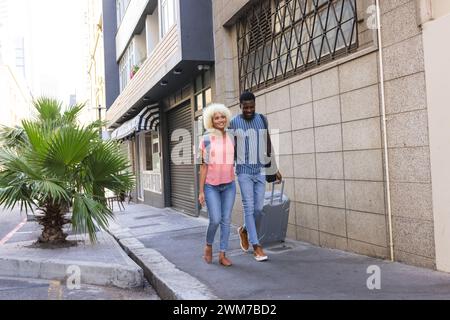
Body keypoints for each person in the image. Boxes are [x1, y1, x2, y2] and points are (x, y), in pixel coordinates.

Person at [229, 91, 282, 262]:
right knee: (249, 208)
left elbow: (267, 144)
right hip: (243, 171)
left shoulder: (262, 119)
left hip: (259, 170)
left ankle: (244, 230)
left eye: (252, 106)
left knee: (259, 209)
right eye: (246, 107)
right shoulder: (233, 122)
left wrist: (273, 169)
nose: (249, 110)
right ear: (240, 106)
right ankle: (256, 246)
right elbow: (230, 148)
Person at [198, 103, 236, 267]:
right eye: (216, 117)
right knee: (215, 220)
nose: (220, 120)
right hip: (211, 186)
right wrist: (201, 191)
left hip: (229, 185)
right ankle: (208, 245)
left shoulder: (232, 136)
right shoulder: (206, 139)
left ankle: (222, 254)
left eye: (222, 116)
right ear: (211, 121)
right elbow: (203, 166)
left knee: (226, 220)